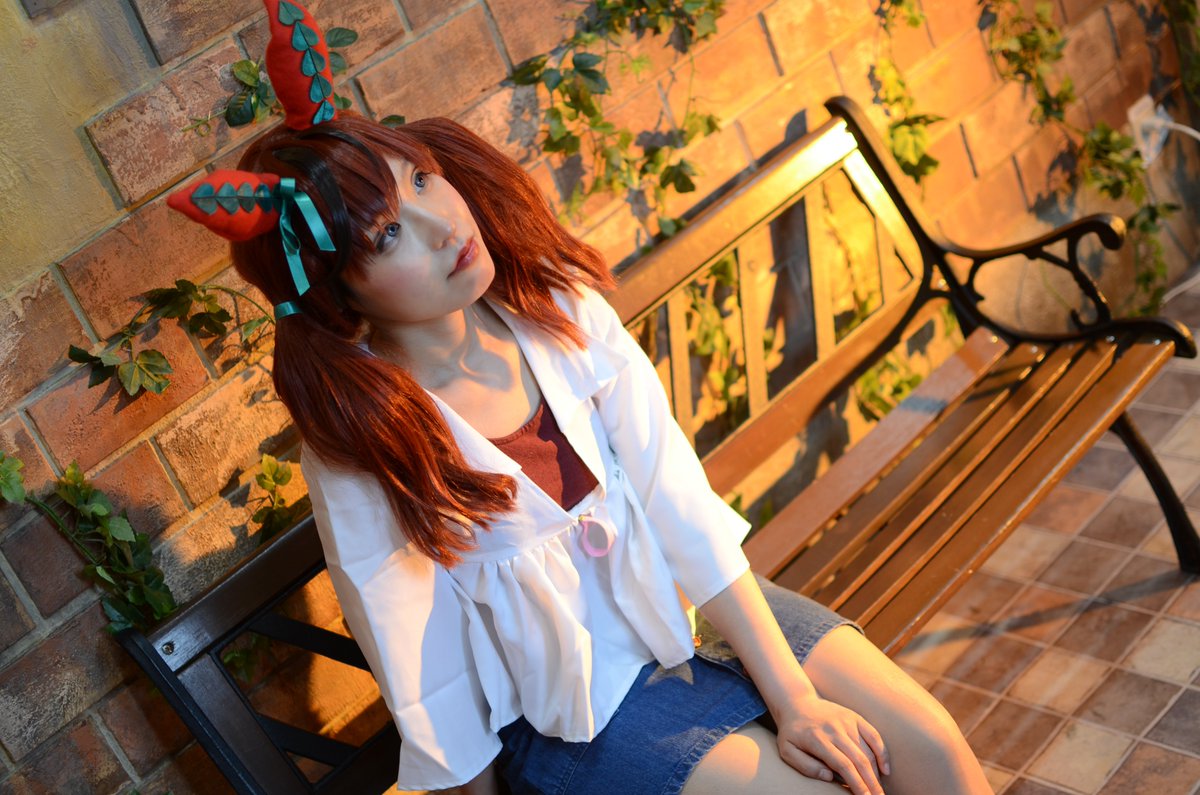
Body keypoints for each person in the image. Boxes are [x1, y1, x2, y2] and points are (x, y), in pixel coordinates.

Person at [168, 3, 993, 793]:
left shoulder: (555, 309)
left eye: (420, 179)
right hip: (575, 714)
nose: (441, 224)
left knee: (928, 748)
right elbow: (417, 656)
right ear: (336, 291)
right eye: (387, 233)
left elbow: (676, 500)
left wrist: (795, 696)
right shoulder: (367, 438)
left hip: (691, 610)